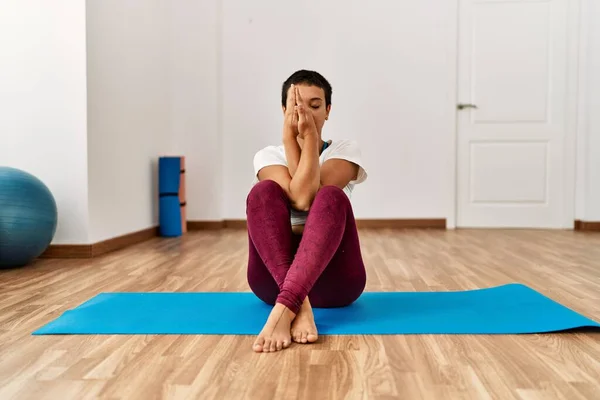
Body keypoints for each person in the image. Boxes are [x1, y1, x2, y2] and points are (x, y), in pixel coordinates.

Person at [246, 70, 368, 353]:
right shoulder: (267, 156)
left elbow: (308, 198)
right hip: (273, 282)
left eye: (314, 106)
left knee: (331, 197)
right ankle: (297, 305)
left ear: (328, 111)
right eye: (297, 106)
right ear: (284, 110)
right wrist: (292, 142)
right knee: (262, 193)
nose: (306, 114)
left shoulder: (345, 150)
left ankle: (285, 308)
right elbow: (300, 200)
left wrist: (309, 141)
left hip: (336, 283)